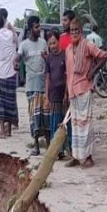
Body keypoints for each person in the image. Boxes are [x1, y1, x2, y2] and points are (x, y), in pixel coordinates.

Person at [65, 16, 107, 169]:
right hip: (72, 91)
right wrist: (66, 92)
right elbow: (68, 72)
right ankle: (76, 156)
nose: (74, 33)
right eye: (72, 30)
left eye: (77, 30)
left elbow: (103, 56)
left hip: (84, 89)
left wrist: (93, 72)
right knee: (75, 125)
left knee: (86, 124)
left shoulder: (87, 45)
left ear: (81, 31)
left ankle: (88, 157)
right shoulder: (69, 49)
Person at [19, 16, 49, 155]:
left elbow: (49, 60)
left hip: (44, 86)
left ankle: (48, 146)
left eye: (39, 26)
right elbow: (17, 58)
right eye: (37, 27)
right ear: (31, 28)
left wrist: (45, 58)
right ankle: (36, 147)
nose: (39, 29)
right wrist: (15, 63)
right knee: (34, 118)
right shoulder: (24, 45)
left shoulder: (44, 43)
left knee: (45, 116)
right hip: (31, 86)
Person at [0, 13, 19, 138]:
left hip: (0, 73)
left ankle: (2, 130)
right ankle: (9, 130)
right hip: (12, 72)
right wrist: (10, 27)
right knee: (11, 102)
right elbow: (17, 42)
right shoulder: (12, 34)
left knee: (1, 103)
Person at [44, 29, 68, 159]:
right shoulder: (49, 58)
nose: (52, 46)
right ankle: (55, 151)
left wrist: (66, 94)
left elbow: (67, 76)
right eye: (50, 44)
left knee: (64, 123)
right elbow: (47, 77)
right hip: (53, 95)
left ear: (58, 41)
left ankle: (64, 150)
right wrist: (46, 96)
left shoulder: (65, 55)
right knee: (54, 122)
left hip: (63, 95)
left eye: (54, 43)